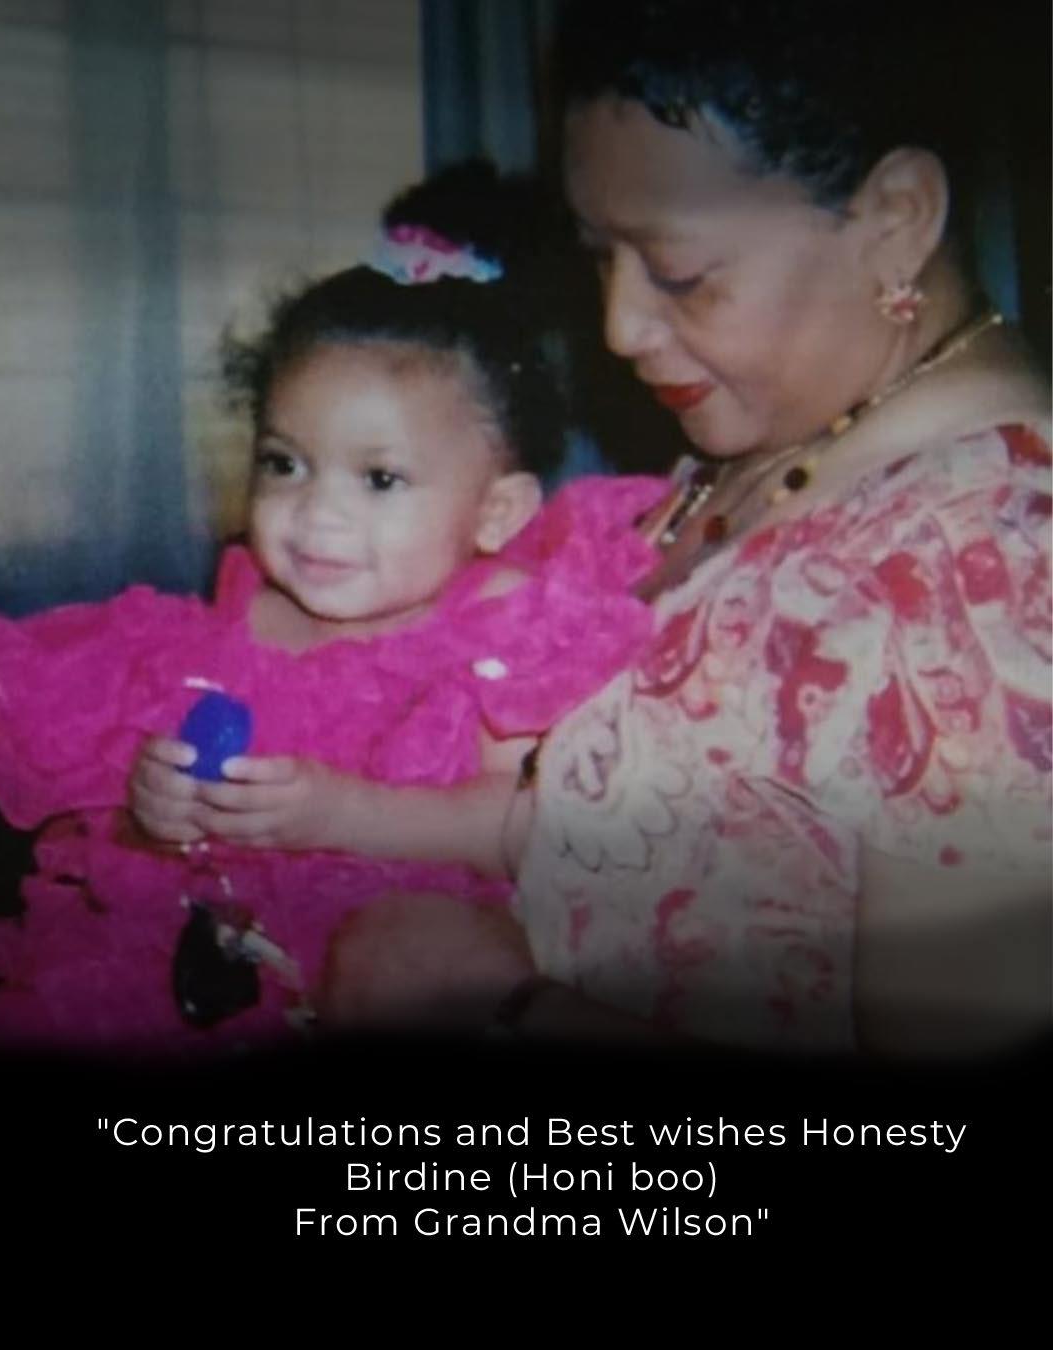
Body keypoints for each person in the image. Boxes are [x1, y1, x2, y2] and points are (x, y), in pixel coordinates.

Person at [315, 0, 1052, 1057]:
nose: (619, 327)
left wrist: (497, 1004)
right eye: (599, 256)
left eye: (679, 273)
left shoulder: (1000, 561)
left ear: (896, 217)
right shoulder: (768, 441)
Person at [0, 164, 666, 1053]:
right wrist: (155, 808)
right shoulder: (238, 617)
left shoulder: (502, 621)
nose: (316, 513)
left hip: (384, 968)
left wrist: (345, 815)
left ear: (496, 512)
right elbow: (140, 818)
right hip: (185, 965)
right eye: (285, 463)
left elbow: (526, 826)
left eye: (379, 479)